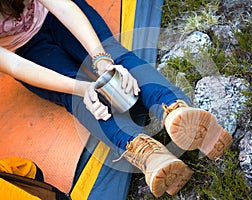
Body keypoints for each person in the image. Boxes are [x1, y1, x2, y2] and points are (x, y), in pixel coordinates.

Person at [0, 0, 233, 198]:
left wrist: (102, 59)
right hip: (24, 49)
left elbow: (63, 6)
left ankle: (159, 139)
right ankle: (166, 122)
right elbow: (14, 64)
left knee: (111, 58)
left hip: (56, 13)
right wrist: (82, 88)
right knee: (81, 94)